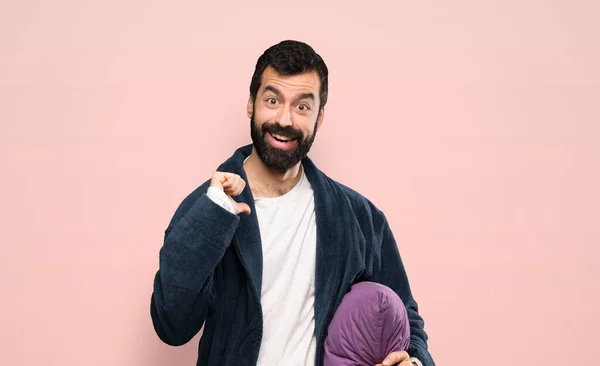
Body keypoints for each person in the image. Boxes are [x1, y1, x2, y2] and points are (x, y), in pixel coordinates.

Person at [150, 40, 435, 366]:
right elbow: (172, 324)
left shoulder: (359, 217)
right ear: (250, 104)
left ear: (320, 117)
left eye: (302, 106)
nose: (285, 119)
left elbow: (405, 315)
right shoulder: (208, 208)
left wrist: (414, 361)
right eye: (272, 100)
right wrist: (213, 216)